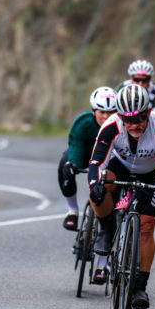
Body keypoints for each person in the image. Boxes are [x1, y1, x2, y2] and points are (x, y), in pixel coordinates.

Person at [87, 84, 155, 309]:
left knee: (146, 228)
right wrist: (94, 187)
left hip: (151, 172)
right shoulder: (111, 126)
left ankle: (140, 286)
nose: (133, 125)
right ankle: (107, 228)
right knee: (98, 190)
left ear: (148, 112)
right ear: (120, 116)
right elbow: (96, 163)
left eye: (139, 118)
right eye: (127, 120)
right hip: (119, 167)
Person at [58, 86, 117, 233]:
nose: (106, 116)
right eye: (102, 112)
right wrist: (73, 164)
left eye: (111, 112)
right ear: (93, 111)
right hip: (86, 155)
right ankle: (72, 211)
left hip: (110, 158)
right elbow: (76, 145)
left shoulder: (122, 124)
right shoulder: (82, 123)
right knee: (65, 164)